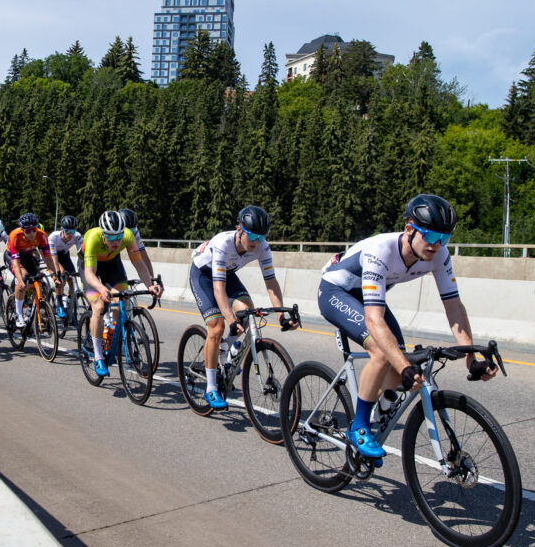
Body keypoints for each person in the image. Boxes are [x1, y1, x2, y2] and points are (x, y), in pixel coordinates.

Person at [317, 194, 496, 462]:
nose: (437, 245)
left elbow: (454, 307)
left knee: (400, 362)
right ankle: (359, 427)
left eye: (444, 238)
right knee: (382, 352)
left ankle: (383, 398)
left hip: (367, 296)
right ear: (409, 229)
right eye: (432, 236)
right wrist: (403, 366)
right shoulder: (381, 250)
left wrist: (470, 357)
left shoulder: (438, 255)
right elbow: (374, 320)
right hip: (336, 291)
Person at [189, 205, 299, 410]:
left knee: (248, 312)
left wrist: (282, 316)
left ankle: (226, 351)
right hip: (203, 275)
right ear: (239, 229)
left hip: (227, 275)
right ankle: (211, 388)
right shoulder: (223, 244)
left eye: (261, 237)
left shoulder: (262, 247)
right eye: (252, 236)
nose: (256, 242)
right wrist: (230, 319)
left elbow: (271, 282)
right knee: (217, 326)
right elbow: (218, 287)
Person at [81, 210, 162, 377]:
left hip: (112, 263)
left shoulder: (128, 236)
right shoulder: (93, 237)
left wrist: (150, 285)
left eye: (118, 236)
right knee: (98, 306)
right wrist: (102, 288)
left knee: (122, 301)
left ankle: (110, 333)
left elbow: (139, 264)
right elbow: (89, 273)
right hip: (90, 264)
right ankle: (97, 356)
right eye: (110, 237)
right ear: (103, 234)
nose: (116, 241)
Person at [7, 212, 61, 327]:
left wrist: (54, 275)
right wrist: (20, 280)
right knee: (23, 276)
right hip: (13, 257)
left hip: (27, 256)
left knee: (38, 280)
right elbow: (16, 263)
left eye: (34, 229)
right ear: (22, 230)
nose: (31, 233)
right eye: (28, 230)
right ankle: (18, 314)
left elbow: (48, 258)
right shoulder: (14, 236)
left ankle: (30, 307)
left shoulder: (41, 235)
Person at [48, 215, 83, 318]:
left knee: (72, 279)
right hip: (52, 257)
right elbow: (53, 257)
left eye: (73, 231)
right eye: (68, 231)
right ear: (62, 229)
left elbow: (81, 254)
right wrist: (59, 272)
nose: (71, 234)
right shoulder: (53, 237)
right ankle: (59, 304)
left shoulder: (77, 236)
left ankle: (68, 300)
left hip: (65, 256)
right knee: (62, 276)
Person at [118, 208, 155, 279]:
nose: (130, 234)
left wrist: (151, 279)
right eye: (127, 231)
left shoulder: (135, 232)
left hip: (113, 256)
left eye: (132, 230)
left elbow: (144, 257)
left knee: (121, 281)